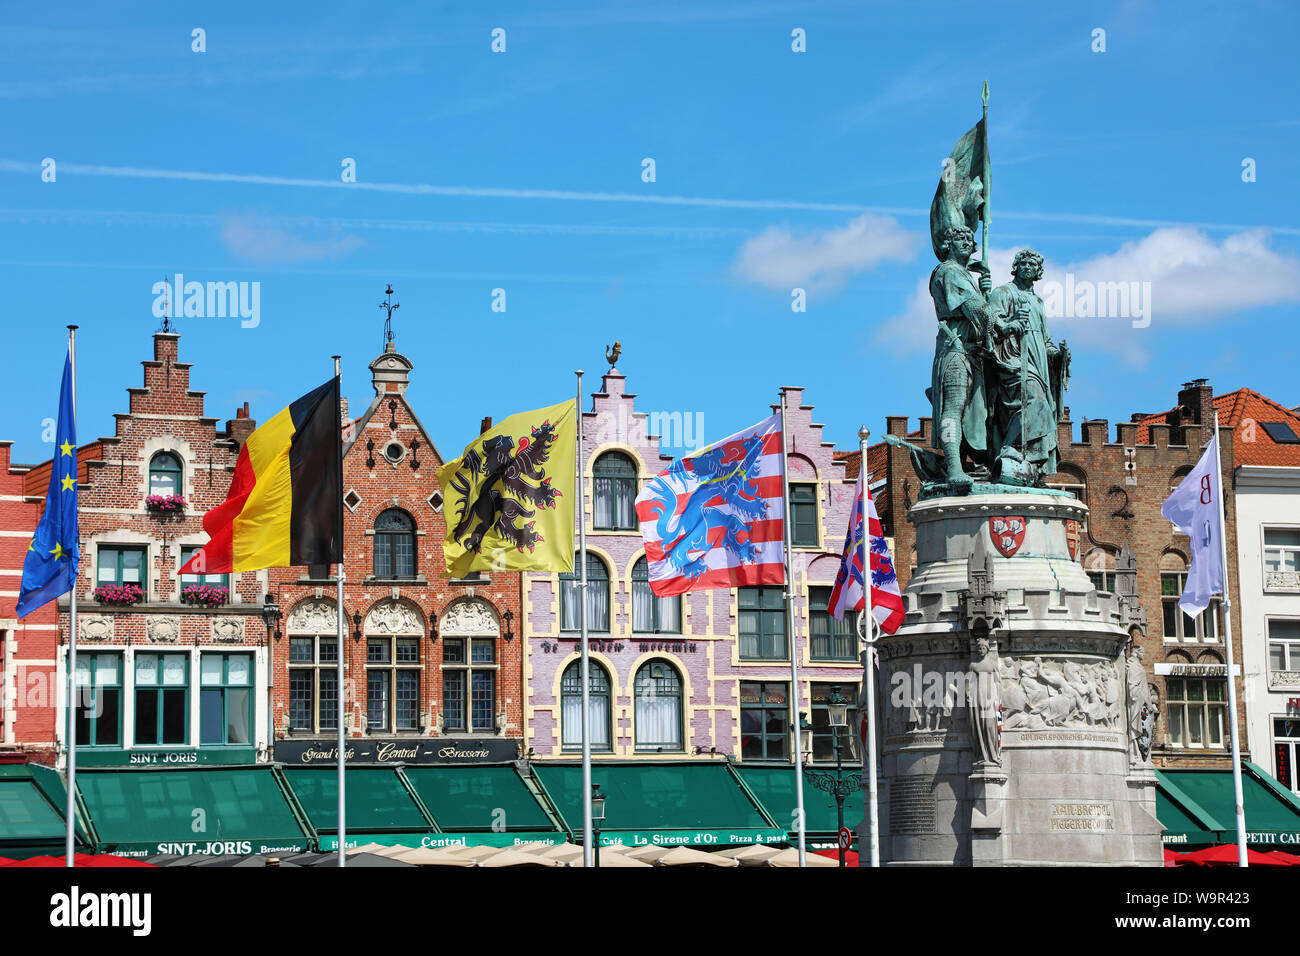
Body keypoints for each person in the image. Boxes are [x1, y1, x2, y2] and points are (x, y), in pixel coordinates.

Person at [986, 249, 1070, 485]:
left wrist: (1058, 355)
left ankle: (1033, 466)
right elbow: (990, 324)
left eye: (1033, 265)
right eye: (1023, 263)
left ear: (1038, 272)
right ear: (1016, 267)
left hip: (1037, 362)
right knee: (1035, 401)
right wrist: (1012, 324)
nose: (1027, 267)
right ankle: (1009, 447)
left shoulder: (1038, 302)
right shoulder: (1003, 292)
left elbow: (1046, 341)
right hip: (1012, 357)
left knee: (1043, 410)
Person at [927, 225, 994, 489]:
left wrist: (985, 291)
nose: (966, 242)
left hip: (972, 352)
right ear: (948, 244)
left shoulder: (964, 274)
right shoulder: (950, 271)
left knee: (974, 413)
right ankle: (954, 467)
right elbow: (976, 310)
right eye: (959, 238)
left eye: (969, 238)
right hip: (955, 349)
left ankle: (976, 462)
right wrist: (1001, 322)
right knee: (953, 406)